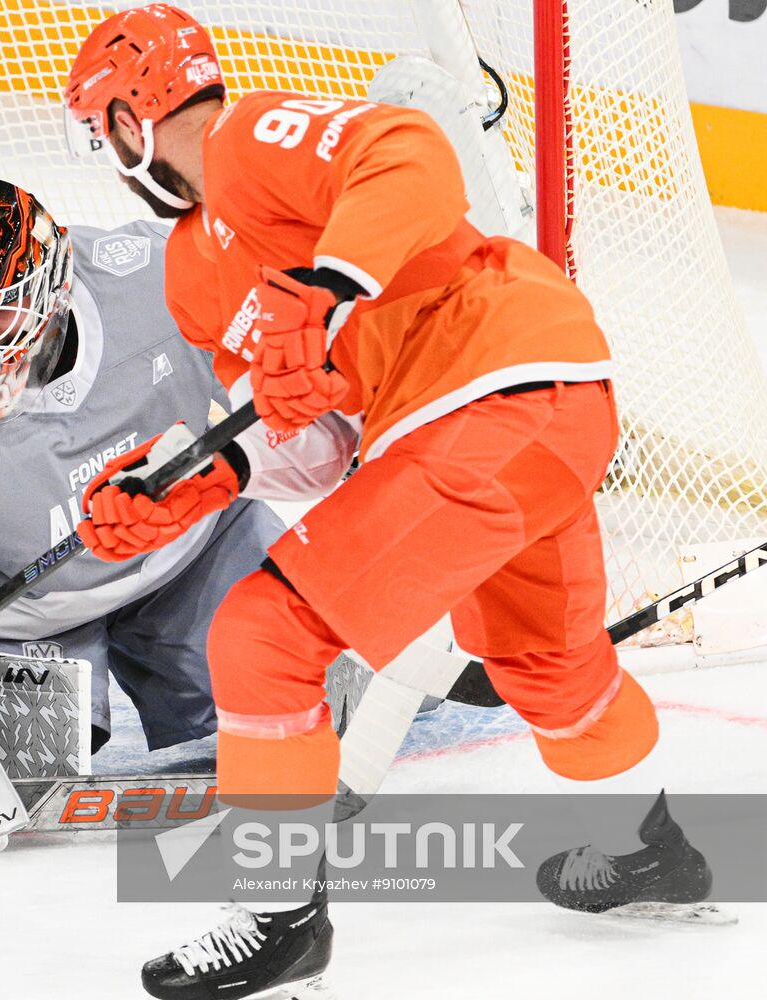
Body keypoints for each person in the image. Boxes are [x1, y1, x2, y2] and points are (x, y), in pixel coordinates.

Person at [64, 6, 711, 997]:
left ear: (126, 118)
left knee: (263, 633)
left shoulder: (245, 139)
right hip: (518, 416)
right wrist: (189, 481)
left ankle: (277, 922)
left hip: (485, 370)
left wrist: (327, 281)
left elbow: (408, 153)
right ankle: (653, 844)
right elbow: (306, 440)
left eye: (100, 128)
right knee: (550, 676)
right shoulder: (194, 273)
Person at [0, 174, 359, 764]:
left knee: (302, 699)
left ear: (53, 284)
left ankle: (349, 637)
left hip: (190, 552)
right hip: (26, 612)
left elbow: (296, 350)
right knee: (22, 774)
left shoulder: (154, 279)